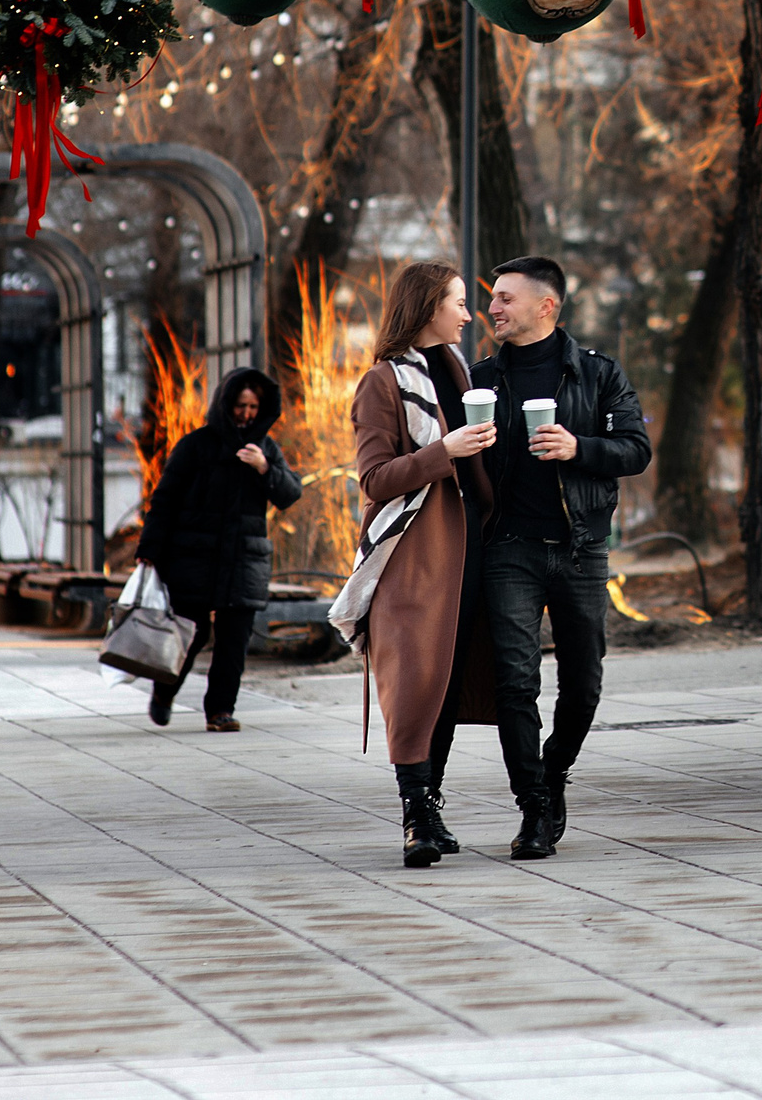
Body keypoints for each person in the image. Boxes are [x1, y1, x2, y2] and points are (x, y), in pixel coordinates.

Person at [471, 255, 651, 861]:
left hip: (580, 548)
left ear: (546, 306)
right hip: (508, 549)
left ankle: (553, 773)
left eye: (504, 298)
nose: (492, 308)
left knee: (583, 684)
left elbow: (636, 449)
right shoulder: (481, 379)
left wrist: (579, 447)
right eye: (492, 299)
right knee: (515, 684)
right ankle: (533, 810)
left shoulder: (597, 374)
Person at [334, 262, 499, 869]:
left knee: (448, 682)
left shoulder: (460, 372)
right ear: (428, 306)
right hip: (414, 552)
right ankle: (415, 821)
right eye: (457, 301)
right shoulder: (381, 382)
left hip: (469, 546)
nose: (466, 312)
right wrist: (443, 452)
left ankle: (430, 805)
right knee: (412, 685)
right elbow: (374, 478)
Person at [134, 367, 303, 732]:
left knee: (234, 641)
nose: (247, 413)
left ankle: (220, 711)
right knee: (189, 635)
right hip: (194, 558)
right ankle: (165, 691)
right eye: (240, 405)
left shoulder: (266, 449)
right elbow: (164, 500)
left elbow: (290, 493)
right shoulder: (196, 445)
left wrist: (265, 468)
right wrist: (150, 549)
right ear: (225, 404)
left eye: (254, 406)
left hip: (243, 561)